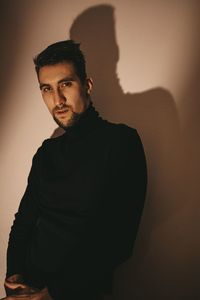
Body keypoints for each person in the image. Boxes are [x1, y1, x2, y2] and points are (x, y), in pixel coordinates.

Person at [4, 40, 147, 300]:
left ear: (87, 85)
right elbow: (23, 222)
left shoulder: (121, 142)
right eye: (46, 89)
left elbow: (120, 241)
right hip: (30, 286)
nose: (57, 99)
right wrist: (14, 278)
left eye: (65, 84)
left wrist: (53, 294)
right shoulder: (46, 153)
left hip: (79, 292)